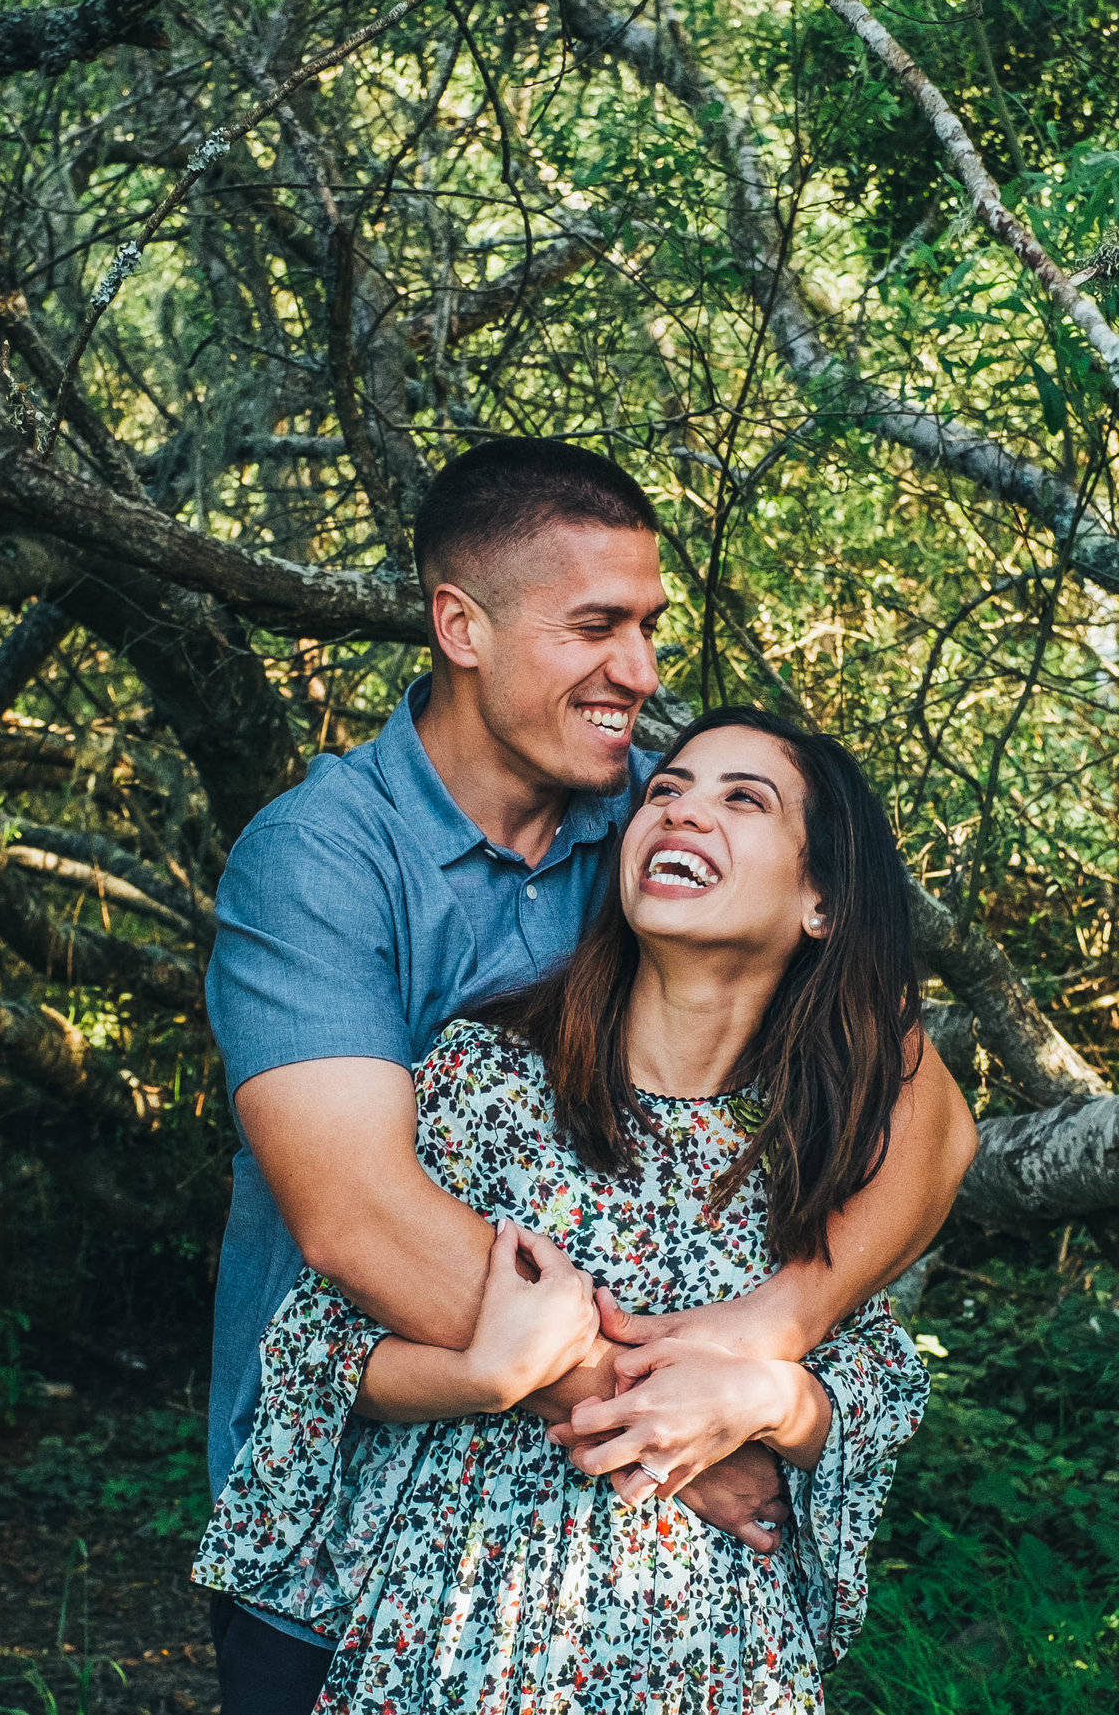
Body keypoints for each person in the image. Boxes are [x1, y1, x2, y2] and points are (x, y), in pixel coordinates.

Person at [201, 439, 974, 1710]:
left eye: (650, 627)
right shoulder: (322, 860)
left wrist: (764, 1343)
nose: (642, 672)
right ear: (462, 625)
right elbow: (355, 1218)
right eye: (597, 627)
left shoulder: (648, 828)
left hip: (648, 1598)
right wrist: (658, 1420)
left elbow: (929, 1118)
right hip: (345, 1524)